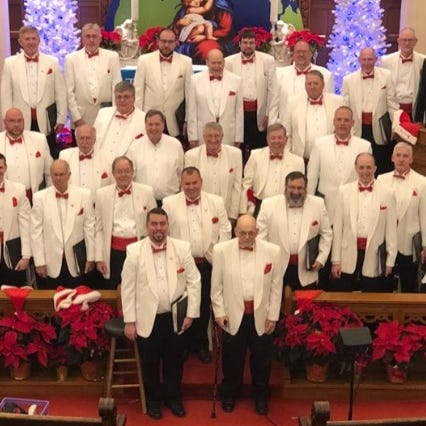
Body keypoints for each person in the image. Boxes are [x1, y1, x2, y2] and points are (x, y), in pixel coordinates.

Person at [121, 208, 201, 419]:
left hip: (175, 317)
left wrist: (191, 314)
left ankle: (174, 399)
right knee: (150, 363)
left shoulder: (182, 248)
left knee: (175, 362)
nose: (158, 228)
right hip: (147, 318)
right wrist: (129, 321)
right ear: (147, 226)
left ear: (168, 225)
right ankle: (154, 401)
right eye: (154, 224)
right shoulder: (134, 251)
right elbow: (127, 288)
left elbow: (195, 280)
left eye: (162, 224)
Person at [211, 214, 284, 415]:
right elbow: (216, 286)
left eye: (251, 233)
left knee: (262, 359)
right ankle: (229, 394)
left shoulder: (273, 251)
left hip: (261, 314)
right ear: (235, 232)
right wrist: (219, 312)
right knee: (232, 358)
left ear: (257, 232)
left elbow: (276, 287)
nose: (246, 237)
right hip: (233, 313)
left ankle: (260, 396)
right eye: (242, 232)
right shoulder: (221, 250)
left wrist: (273, 316)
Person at [162, 167, 231, 363]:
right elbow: (164, 231)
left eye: (194, 183)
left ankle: (201, 344)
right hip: (180, 265)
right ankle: (182, 346)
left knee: (202, 305)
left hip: (208, 263)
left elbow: (225, 229)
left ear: (201, 181)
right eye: (187, 184)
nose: (191, 187)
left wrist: (219, 255)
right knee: (182, 304)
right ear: (181, 184)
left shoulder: (216, 201)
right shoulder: (169, 203)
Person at [331, 153, 397, 292]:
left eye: (368, 167)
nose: (365, 171)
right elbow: (338, 229)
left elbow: (391, 231)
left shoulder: (388, 193)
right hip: (347, 254)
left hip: (374, 254)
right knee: (343, 298)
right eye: (361, 167)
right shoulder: (344, 191)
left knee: (373, 296)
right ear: (355, 168)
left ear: (375, 168)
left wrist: (390, 260)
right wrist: (336, 261)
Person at [257, 171, 332, 291]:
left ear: (306, 189)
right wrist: (266, 262)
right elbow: (261, 238)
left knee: (305, 308)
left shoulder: (318, 204)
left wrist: (321, 259)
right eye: (292, 187)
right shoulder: (268, 205)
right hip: (277, 268)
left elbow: (326, 234)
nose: (296, 192)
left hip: (307, 269)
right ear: (285, 187)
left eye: (300, 188)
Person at [31, 159, 95, 289]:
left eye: (62, 174)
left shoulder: (84, 195)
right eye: (55, 174)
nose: (58, 178)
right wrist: (39, 262)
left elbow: (90, 229)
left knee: (77, 303)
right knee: (51, 304)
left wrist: (91, 257)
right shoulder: (39, 197)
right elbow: (36, 232)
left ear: (69, 175)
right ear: (51, 175)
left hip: (78, 261)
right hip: (50, 263)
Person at [94, 156, 156, 289]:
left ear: (133, 172)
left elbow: (154, 224)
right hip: (113, 252)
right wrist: (99, 257)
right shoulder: (101, 194)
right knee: (114, 290)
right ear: (113, 173)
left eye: (127, 171)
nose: (123, 175)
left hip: (138, 251)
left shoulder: (146, 191)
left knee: (140, 289)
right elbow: (98, 229)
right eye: (119, 171)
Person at [307, 106, 372, 224]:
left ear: (352, 123)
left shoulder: (364, 146)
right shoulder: (319, 144)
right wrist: (309, 206)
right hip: (325, 206)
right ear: (334, 121)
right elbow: (312, 177)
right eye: (339, 119)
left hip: (353, 205)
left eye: (346, 120)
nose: (342, 123)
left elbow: (368, 179)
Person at [377, 142, 426, 292]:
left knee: (409, 284)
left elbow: (425, 216)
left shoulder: (422, 182)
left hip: (408, 242)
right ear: (392, 158)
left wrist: (425, 245)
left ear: (411, 159)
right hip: (385, 241)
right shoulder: (381, 179)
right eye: (398, 155)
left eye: (405, 156)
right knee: (384, 284)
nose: (401, 159)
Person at [341, 47, 399, 175]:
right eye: (364, 59)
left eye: (370, 59)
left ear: (376, 59)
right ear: (359, 60)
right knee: (360, 164)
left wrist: (395, 128)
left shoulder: (386, 76)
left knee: (382, 166)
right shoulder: (348, 80)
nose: (367, 63)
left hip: (380, 130)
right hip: (359, 129)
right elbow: (346, 108)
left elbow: (392, 105)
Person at [0, 26, 67, 136]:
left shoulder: (52, 62)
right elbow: (5, 95)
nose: (31, 42)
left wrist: (61, 118)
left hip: (46, 122)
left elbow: (60, 93)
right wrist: (8, 120)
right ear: (20, 42)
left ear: (39, 40)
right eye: (27, 39)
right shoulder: (10, 63)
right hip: (20, 122)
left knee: (47, 152)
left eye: (33, 38)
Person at [225, 29, 279, 155]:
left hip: (259, 113)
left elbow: (273, 89)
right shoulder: (229, 62)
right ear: (239, 44)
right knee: (237, 149)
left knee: (258, 149)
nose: (248, 45)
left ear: (256, 44)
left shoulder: (267, 60)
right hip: (237, 112)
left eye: (251, 42)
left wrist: (269, 114)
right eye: (245, 42)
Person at [134, 28, 192, 139]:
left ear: (176, 43)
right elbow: (138, 93)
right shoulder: (144, 60)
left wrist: (187, 120)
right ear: (158, 41)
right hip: (150, 122)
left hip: (174, 123)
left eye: (170, 42)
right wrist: (139, 120)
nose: (166, 45)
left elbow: (189, 95)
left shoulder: (186, 62)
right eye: (163, 41)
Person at [65, 23, 122, 127]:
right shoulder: (71, 59)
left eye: (94, 36)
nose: (91, 40)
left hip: (106, 117)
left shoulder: (112, 57)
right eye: (88, 36)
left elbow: (116, 87)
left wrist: (114, 115)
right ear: (82, 39)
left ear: (100, 39)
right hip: (80, 118)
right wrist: (77, 118)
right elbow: (69, 92)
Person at [240, 123, 304, 217]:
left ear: (286, 140)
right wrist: (244, 212)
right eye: (273, 138)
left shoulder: (297, 162)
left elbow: (300, 190)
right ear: (267, 139)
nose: (276, 141)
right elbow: (246, 184)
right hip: (260, 205)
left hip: (286, 207)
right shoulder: (255, 156)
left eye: (279, 137)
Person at [184, 122, 242, 223]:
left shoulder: (235, 154)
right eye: (209, 136)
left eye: (217, 136)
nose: (213, 139)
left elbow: (237, 186)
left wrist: (232, 216)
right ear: (204, 137)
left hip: (226, 213)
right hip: (199, 213)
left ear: (222, 136)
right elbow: (189, 187)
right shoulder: (191, 156)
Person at [282, 70, 344, 161]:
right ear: (305, 85)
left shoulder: (337, 102)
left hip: (330, 159)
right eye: (309, 83)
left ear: (323, 85)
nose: (312, 86)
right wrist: (288, 158)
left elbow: (346, 129)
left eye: (316, 83)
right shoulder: (292, 103)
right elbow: (286, 133)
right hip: (301, 159)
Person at [187, 49, 243, 147]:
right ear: (207, 62)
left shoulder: (236, 80)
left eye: (219, 63)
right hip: (203, 134)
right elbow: (192, 111)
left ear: (224, 62)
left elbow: (239, 112)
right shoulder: (195, 80)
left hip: (228, 134)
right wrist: (193, 137)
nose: (217, 66)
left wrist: (238, 137)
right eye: (213, 63)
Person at [127, 110, 184, 205]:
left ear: (163, 125)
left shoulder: (175, 144)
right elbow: (130, 176)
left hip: (171, 201)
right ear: (145, 125)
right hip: (142, 201)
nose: (153, 128)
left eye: (157, 124)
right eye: (150, 124)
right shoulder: (135, 146)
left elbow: (181, 173)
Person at [0, 108, 53, 204]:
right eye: (12, 121)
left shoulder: (39, 139)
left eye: (19, 121)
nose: (16, 124)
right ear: (5, 122)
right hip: (3, 201)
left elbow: (50, 173)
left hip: (34, 200)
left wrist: (49, 198)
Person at [275, 38, 334, 120]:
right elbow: (274, 103)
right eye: (298, 52)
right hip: (287, 121)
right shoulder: (279, 74)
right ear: (293, 55)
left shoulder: (325, 74)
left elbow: (329, 103)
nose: (301, 55)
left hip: (315, 122)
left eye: (304, 52)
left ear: (311, 54)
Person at [59, 124, 113, 202]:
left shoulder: (108, 157)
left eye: (88, 138)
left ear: (94, 140)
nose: (84, 142)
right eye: (81, 138)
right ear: (76, 140)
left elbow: (113, 185)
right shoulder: (65, 155)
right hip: (73, 204)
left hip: (98, 205)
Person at [380, 27, 425, 120]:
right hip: (393, 110)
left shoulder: (423, 60)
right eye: (404, 40)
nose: (407, 43)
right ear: (398, 41)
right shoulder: (386, 61)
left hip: (415, 110)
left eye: (410, 40)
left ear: (416, 42)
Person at [0, 154, 31, 286]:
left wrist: (26, 256)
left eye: (0, 167)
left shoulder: (18, 189)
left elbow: (26, 224)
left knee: (15, 296)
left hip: (13, 253)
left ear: (5, 168)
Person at [94, 82, 146, 157]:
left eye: (126, 97)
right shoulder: (103, 113)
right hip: (100, 162)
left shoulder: (143, 119)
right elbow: (93, 140)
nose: (122, 100)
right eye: (119, 97)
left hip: (127, 164)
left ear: (134, 98)